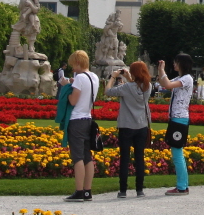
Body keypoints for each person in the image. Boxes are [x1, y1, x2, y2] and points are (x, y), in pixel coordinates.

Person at [105, 60, 152, 198]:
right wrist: (129, 78)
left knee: (125, 159)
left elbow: (108, 91)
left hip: (126, 125)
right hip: (142, 125)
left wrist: (113, 77)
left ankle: (123, 190)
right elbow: (135, 86)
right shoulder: (147, 87)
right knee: (139, 158)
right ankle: (139, 189)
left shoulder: (126, 88)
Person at [63, 50, 100, 203]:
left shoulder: (79, 78)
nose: (73, 68)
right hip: (88, 118)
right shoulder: (94, 77)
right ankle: (87, 191)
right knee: (87, 156)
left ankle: (78, 190)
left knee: (77, 156)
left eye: (73, 65)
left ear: (78, 63)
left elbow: (73, 100)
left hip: (76, 118)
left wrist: (66, 87)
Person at [157, 53, 194, 195]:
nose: (174, 64)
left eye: (176, 62)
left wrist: (162, 69)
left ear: (182, 64)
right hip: (176, 118)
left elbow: (166, 84)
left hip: (179, 119)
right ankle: (182, 185)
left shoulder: (187, 79)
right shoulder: (180, 78)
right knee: (177, 152)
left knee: (177, 153)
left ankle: (182, 186)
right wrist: (161, 70)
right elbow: (164, 84)